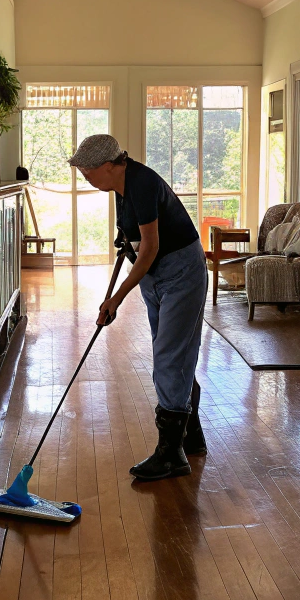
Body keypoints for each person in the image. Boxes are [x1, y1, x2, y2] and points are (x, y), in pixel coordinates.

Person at [69, 133, 208, 480]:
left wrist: (116, 299)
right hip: (156, 275)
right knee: (173, 353)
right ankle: (190, 435)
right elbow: (135, 239)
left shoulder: (142, 183)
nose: (86, 179)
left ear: (107, 166)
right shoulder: (121, 186)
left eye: (87, 173)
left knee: (169, 355)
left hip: (181, 272)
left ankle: (171, 454)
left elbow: (150, 248)